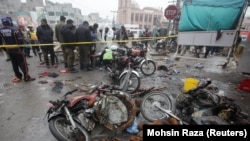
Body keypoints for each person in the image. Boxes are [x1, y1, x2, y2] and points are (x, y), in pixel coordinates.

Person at [0, 17, 35, 82]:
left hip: (9, 50)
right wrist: (20, 48)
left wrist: (5, 49)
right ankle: (26, 77)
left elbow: (0, 42)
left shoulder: (0, 31)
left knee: (14, 64)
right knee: (23, 63)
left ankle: (18, 76)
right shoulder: (14, 30)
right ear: (9, 22)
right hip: (17, 50)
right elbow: (20, 40)